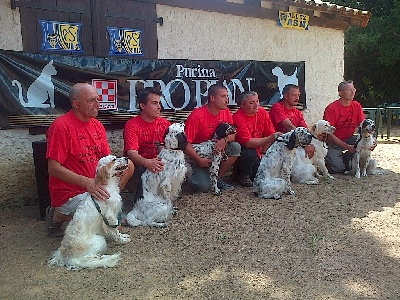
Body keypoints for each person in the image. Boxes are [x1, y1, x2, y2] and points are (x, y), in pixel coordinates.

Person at [45, 82, 134, 237]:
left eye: (98, 100)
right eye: (91, 100)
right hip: (72, 192)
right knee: (107, 226)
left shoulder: (97, 125)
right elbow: (53, 168)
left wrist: (114, 172)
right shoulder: (61, 126)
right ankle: (59, 214)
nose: (97, 104)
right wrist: (88, 183)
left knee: (129, 166)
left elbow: (107, 159)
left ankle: (106, 208)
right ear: (76, 104)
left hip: (96, 186)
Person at [185, 84, 241, 192]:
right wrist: (199, 160)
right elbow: (185, 144)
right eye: (223, 96)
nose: (227, 100)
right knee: (204, 187)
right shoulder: (197, 115)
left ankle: (216, 178)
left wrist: (224, 140)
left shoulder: (226, 112)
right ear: (212, 98)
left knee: (235, 147)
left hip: (214, 153)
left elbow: (233, 135)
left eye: (227, 96)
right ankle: (190, 177)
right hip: (194, 157)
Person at [123, 87, 171, 201]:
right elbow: (131, 153)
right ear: (142, 106)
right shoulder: (132, 125)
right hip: (140, 168)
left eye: (159, 103)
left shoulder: (165, 124)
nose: (159, 107)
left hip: (160, 165)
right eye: (154, 103)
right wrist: (147, 162)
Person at [323, 80, 372, 174]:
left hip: (350, 138)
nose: (353, 92)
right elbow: (328, 133)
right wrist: (347, 147)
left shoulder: (357, 106)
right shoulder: (331, 108)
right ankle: (337, 159)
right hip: (333, 142)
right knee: (338, 169)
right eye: (349, 90)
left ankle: (348, 158)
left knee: (366, 142)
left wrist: (372, 141)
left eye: (354, 89)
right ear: (341, 92)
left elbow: (364, 125)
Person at [233, 91, 279, 187]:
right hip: (245, 151)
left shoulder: (262, 112)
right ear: (242, 104)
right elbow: (248, 142)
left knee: (260, 176)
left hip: (260, 150)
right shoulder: (238, 117)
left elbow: (269, 133)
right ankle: (242, 175)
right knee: (249, 152)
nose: (256, 105)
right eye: (251, 103)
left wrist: (264, 152)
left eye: (257, 101)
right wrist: (268, 139)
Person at [269, 84, 315, 158]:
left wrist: (310, 142)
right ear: (286, 96)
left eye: (298, 95)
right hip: (277, 144)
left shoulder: (297, 112)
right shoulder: (277, 107)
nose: (297, 98)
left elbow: (305, 130)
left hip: (292, 144)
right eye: (294, 95)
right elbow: (289, 126)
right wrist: (306, 144)